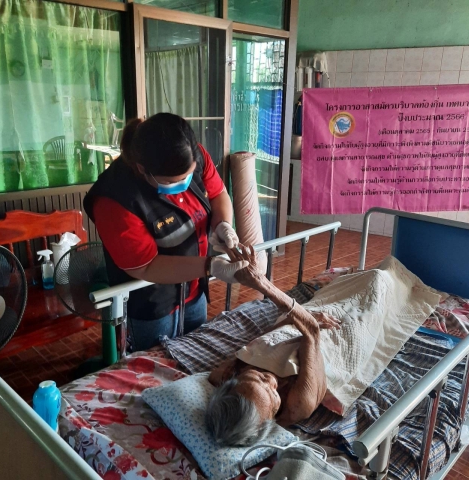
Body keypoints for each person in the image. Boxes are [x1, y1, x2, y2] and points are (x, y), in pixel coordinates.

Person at [83, 113, 248, 351]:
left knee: (195, 352)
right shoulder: (115, 200)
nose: (183, 186)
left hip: (194, 291)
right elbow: (146, 266)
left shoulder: (190, 154)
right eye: (172, 182)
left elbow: (218, 193)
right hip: (152, 304)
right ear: (143, 169)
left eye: (188, 176)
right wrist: (211, 266)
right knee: (156, 362)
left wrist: (223, 224)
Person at [205, 245, 340, 446]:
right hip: (329, 332)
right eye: (272, 394)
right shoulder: (298, 405)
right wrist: (260, 282)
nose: (270, 380)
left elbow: (260, 343)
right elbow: (312, 332)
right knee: (376, 283)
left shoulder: (224, 374)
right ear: (269, 421)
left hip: (301, 321)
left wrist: (290, 320)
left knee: (336, 288)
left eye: (257, 377)